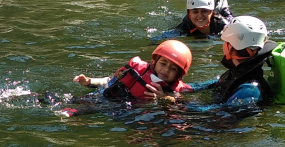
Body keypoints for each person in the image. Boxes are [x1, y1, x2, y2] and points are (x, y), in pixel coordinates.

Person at [58, 40, 193, 116]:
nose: (166, 70)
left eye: (173, 69)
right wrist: (88, 81)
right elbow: (110, 81)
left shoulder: (174, 90)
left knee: (98, 108)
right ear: (154, 62)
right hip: (111, 96)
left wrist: (163, 97)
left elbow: (178, 103)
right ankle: (46, 99)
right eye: (163, 64)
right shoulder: (138, 69)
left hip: (128, 110)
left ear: (179, 74)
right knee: (77, 100)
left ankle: (74, 113)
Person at [204, 16, 277, 107]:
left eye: (226, 42)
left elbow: (219, 114)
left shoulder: (249, 91)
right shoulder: (240, 72)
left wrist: (183, 105)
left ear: (229, 46)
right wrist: (190, 87)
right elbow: (221, 82)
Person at [151, 0, 233, 42]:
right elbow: (159, 39)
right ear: (189, 13)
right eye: (195, 12)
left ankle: (223, 6)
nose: (200, 16)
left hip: (219, 18)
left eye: (204, 11)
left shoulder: (223, 25)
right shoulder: (184, 27)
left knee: (227, 15)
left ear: (211, 12)